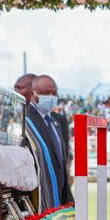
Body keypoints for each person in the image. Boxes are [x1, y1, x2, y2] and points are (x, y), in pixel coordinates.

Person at [25, 75, 72, 208]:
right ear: (33, 95)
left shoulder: (55, 123)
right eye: (46, 93)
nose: (51, 97)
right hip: (39, 198)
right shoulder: (25, 122)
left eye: (54, 93)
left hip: (59, 195)